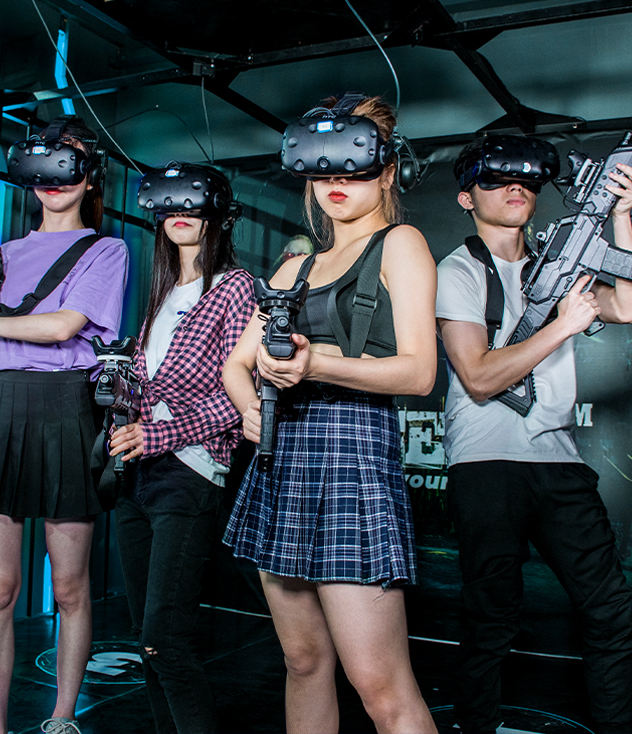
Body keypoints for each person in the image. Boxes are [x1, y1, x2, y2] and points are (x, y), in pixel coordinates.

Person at [222, 94, 438, 734]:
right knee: (303, 660)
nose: (335, 183)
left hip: (352, 458)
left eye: (354, 168)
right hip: (282, 460)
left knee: (380, 688)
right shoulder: (296, 265)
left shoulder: (399, 244)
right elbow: (238, 364)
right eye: (321, 171)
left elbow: (419, 372)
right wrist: (249, 409)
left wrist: (316, 364)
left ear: (388, 171)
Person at [435, 133, 632, 734]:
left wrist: (623, 219)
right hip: (486, 463)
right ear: (467, 198)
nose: (514, 188)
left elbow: (627, 306)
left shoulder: (559, 259)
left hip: (560, 461)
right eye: (494, 180)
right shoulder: (458, 269)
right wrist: (562, 326)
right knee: (491, 618)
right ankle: (477, 726)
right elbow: (478, 376)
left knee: (612, 610)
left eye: (525, 180)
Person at [0, 118, 129, 734]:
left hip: (65, 409)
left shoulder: (107, 250)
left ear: (89, 176)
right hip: (3, 407)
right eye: (43, 162)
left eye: (67, 162)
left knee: (70, 588)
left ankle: (62, 717)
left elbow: (62, 327)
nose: (53, 176)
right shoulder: (1, 254)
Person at [108, 162, 255, 733]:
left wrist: (158, 433)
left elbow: (239, 397)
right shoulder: (164, 291)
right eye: (168, 205)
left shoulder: (234, 286)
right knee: (146, 642)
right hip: (137, 475)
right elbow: (153, 386)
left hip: (190, 472)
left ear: (217, 214)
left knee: (166, 640)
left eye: (191, 204)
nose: (179, 214)